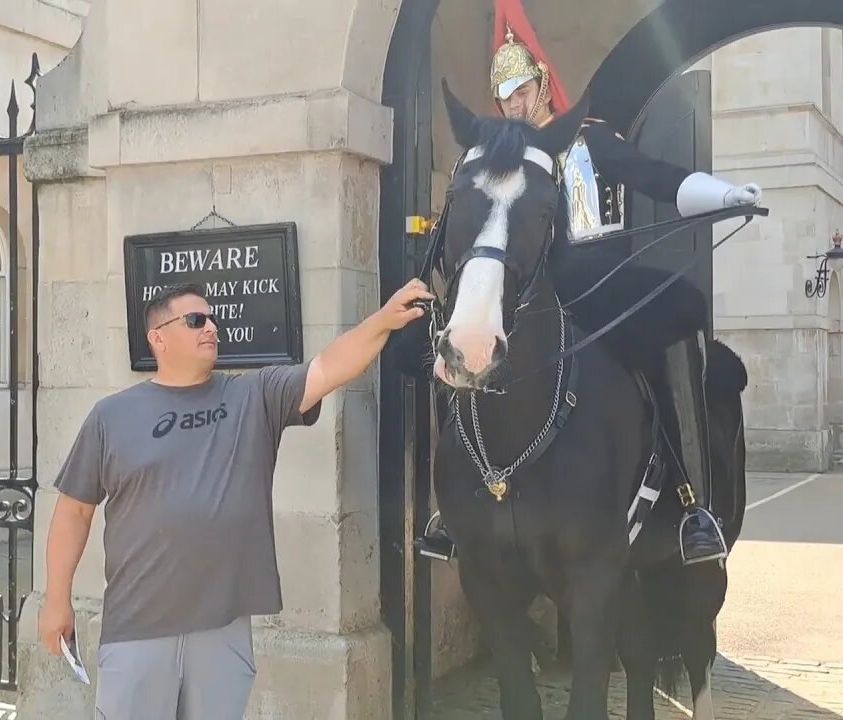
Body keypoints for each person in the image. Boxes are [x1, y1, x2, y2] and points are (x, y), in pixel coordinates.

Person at [415, 9, 763, 567]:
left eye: (519, 92)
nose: (511, 106)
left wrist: (725, 196)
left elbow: (657, 178)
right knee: (453, 337)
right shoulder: (498, 159)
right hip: (532, 291)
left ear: (542, 85)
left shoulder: (589, 141)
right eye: (502, 98)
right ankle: (450, 510)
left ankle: (694, 502)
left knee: (682, 313)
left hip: (601, 282)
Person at [39, 278, 433, 720]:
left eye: (212, 318)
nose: (211, 327)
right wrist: (58, 600)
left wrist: (383, 320)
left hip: (222, 630)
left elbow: (331, 366)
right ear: (158, 338)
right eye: (195, 320)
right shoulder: (110, 417)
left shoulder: (254, 396)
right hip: (138, 629)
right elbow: (73, 511)